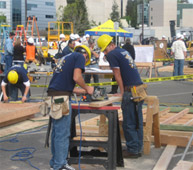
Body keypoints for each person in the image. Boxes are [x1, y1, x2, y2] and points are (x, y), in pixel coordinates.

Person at [47, 44, 94, 170]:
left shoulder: (66, 57)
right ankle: (60, 165)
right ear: (85, 55)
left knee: (57, 133)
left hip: (54, 96)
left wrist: (83, 91)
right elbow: (77, 77)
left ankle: (55, 162)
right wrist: (87, 88)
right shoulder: (79, 56)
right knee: (63, 133)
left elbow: (67, 85)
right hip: (61, 98)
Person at [97, 34, 144, 158]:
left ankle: (133, 150)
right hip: (138, 88)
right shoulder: (122, 51)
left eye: (105, 50)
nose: (106, 54)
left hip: (130, 90)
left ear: (111, 45)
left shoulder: (112, 54)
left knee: (129, 122)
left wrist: (122, 93)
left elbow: (117, 75)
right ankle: (138, 148)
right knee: (137, 121)